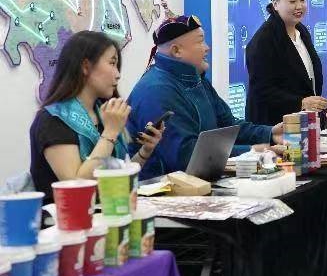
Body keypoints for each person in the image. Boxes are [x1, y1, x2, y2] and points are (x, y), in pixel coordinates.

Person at [127, 14, 285, 180]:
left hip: (198, 182)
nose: (207, 48)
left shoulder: (196, 79)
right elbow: (187, 156)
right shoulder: (157, 91)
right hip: (161, 190)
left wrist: (270, 133)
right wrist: (252, 151)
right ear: (176, 51)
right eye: (200, 41)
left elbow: (228, 126)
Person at [29, 31, 163, 203]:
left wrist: (145, 152)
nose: (118, 74)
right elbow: (77, 186)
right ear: (85, 66)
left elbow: (116, 176)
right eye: (112, 63)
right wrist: (110, 132)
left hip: (108, 211)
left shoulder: (102, 113)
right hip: (64, 217)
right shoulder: (54, 119)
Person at [245, 0, 327, 126]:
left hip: (304, 121)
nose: (299, 6)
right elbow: (262, 90)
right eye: (292, 1)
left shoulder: (301, 31)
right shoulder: (264, 40)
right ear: (275, 4)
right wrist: (301, 102)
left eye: (302, 0)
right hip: (276, 125)